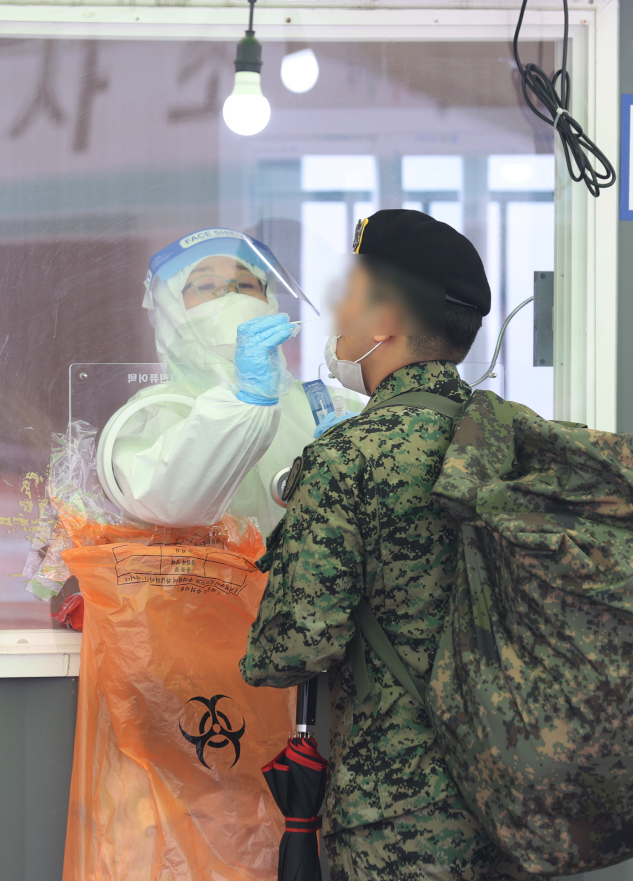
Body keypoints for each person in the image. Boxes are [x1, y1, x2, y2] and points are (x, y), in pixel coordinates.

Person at [239, 210, 532, 880]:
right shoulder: (515, 442)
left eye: (351, 290)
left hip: (394, 823)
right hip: (516, 809)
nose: (335, 308)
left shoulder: (347, 458)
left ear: (385, 323)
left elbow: (291, 649)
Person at [98, 229, 316, 534]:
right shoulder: (153, 413)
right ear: (172, 310)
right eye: (207, 285)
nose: (232, 295)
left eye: (246, 284)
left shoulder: (323, 405)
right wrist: (247, 401)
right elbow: (166, 504)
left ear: (270, 304)